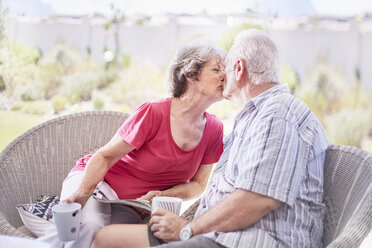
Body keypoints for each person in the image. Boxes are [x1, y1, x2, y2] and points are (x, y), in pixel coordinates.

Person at [91, 29, 328, 248]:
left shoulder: (277, 115)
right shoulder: (253, 117)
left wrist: (187, 228)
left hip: (248, 239)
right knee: (105, 239)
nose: (223, 76)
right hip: (217, 232)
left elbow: (258, 199)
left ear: (239, 68)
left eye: (223, 68)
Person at [37, 39, 226, 248]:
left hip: (131, 205)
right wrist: (81, 193)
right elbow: (105, 156)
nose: (224, 76)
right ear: (191, 74)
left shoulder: (214, 129)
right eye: (216, 69)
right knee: (90, 226)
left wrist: (164, 195)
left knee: (107, 239)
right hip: (96, 183)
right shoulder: (154, 112)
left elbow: (199, 185)